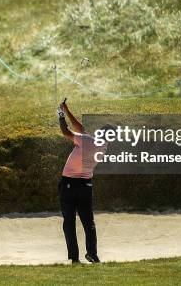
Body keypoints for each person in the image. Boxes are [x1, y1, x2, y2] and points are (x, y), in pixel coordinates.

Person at [57, 100, 110, 264]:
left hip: (69, 185)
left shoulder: (87, 141)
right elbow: (81, 129)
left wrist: (60, 114)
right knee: (88, 222)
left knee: (69, 222)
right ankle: (92, 254)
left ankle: (74, 258)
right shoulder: (103, 145)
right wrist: (67, 110)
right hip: (86, 186)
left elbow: (66, 132)